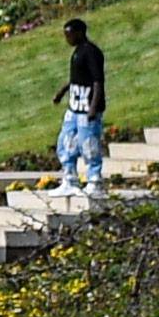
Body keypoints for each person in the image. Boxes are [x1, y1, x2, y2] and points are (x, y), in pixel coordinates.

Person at [55, 14, 110, 201]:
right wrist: (62, 92)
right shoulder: (78, 52)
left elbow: (97, 81)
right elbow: (75, 78)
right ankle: (70, 178)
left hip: (87, 108)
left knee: (88, 143)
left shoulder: (92, 52)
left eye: (69, 35)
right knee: (66, 141)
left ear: (80, 33)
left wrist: (93, 107)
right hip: (74, 107)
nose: (67, 39)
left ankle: (95, 180)